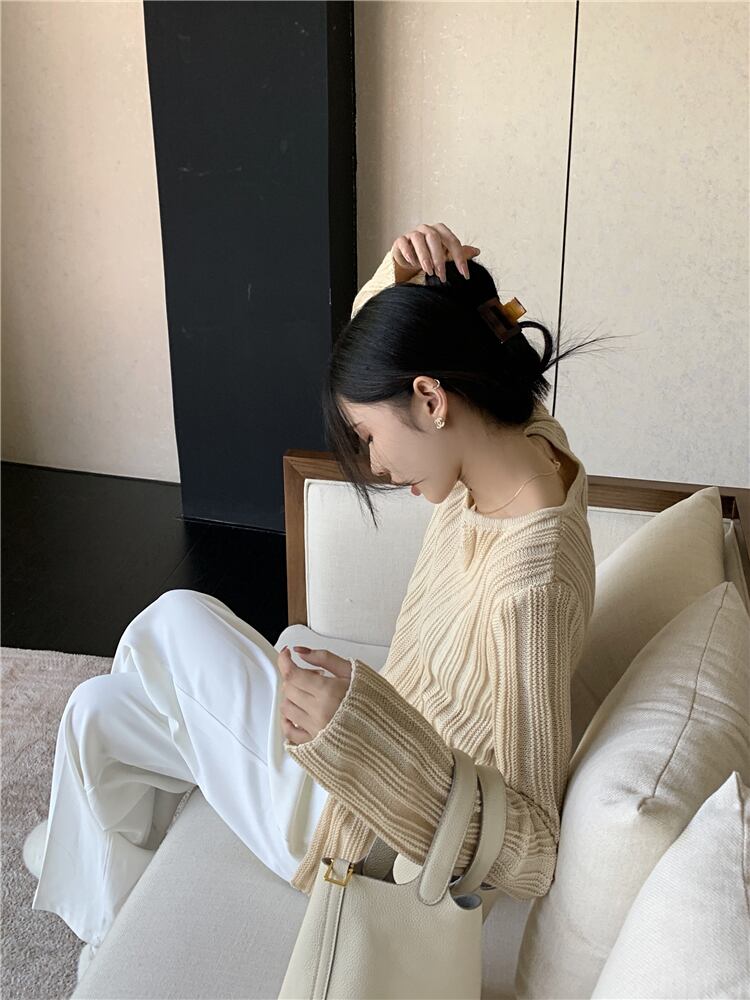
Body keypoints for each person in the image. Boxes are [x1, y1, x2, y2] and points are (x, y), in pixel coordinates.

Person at [25, 221, 611, 969]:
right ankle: (105, 925)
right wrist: (398, 274)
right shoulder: (527, 437)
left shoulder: (530, 584)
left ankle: (95, 861)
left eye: (367, 436)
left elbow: (534, 850)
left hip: (358, 815)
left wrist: (361, 731)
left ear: (431, 399)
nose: (374, 464)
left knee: (173, 621)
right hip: (363, 742)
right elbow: (383, 365)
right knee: (94, 710)